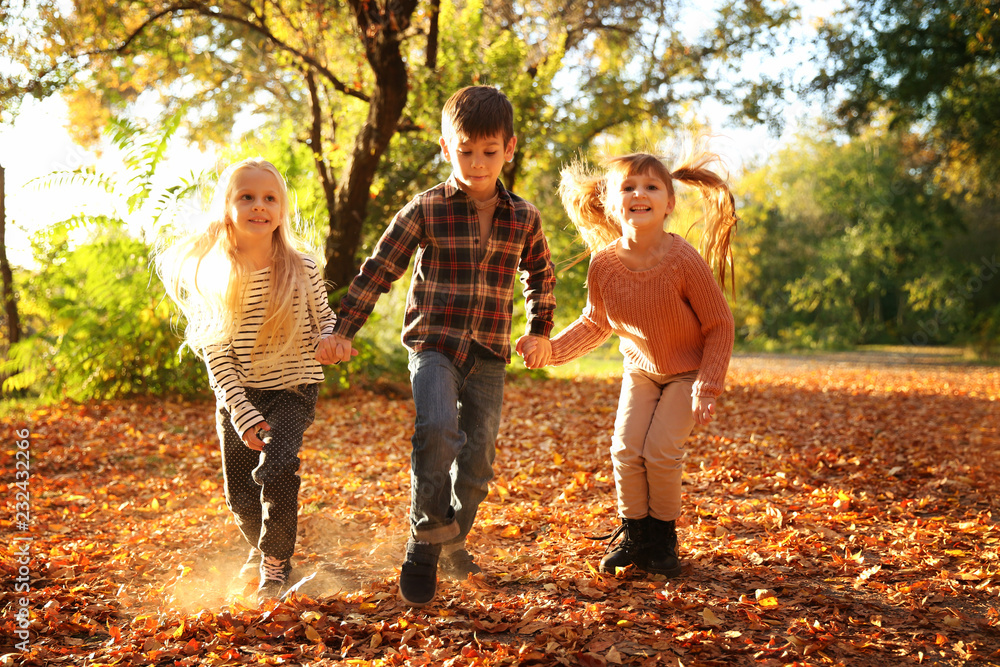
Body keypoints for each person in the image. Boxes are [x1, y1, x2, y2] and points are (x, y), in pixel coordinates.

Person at [325, 85, 557, 606]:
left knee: (476, 467)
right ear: (445, 147)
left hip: (491, 353)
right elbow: (379, 268)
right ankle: (423, 544)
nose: (477, 163)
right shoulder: (425, 208)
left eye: (489, 152)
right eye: (465, 150)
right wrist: (343, 330)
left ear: (510, 149)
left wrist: (539, 330)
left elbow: (541, 275)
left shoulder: (524, 216)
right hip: (434, 343)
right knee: (436, 429)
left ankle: (451, 540)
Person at [517, 149, 736, 577]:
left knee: (660, 451)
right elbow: (596, 322)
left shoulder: (682, 260)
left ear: (669, 202)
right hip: (641, 370)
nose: (640, 193)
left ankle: (662, 541)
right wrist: (551, 349)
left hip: (686, 372)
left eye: (652, 186)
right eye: (628, 187)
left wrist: (706, 387)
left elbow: (720, 324)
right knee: (625, 449)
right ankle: (636, 536)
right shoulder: (604, 265)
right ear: (612, 204)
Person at [156, 158, 345, 601]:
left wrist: (332, 340)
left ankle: (276, 564)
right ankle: (261, 548)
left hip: (294, 387)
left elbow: (326, 319)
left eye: (269, 198)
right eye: (247, 197)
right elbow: (217, 359)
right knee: (240, 495)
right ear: (227, 207)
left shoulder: (303, 268)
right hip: (241, 394)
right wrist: (242, 414)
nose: (259, 206)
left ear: (281, 210)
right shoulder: (216, 276)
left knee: (278, 468)